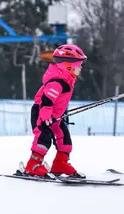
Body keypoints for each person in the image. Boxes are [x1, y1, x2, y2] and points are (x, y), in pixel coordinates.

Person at [23, 44, 87, 178]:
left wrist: (60, 114)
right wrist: (45, 116)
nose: (81, 67)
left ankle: (60, 163)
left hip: (55, 115)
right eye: (78, 65)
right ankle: (33, 165)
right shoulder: (57, 82)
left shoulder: (68, 79)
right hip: (42, 113)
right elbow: (46, 100)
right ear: (68, 65)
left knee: (64, 138)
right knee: (44, 137)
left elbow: (59, 102)